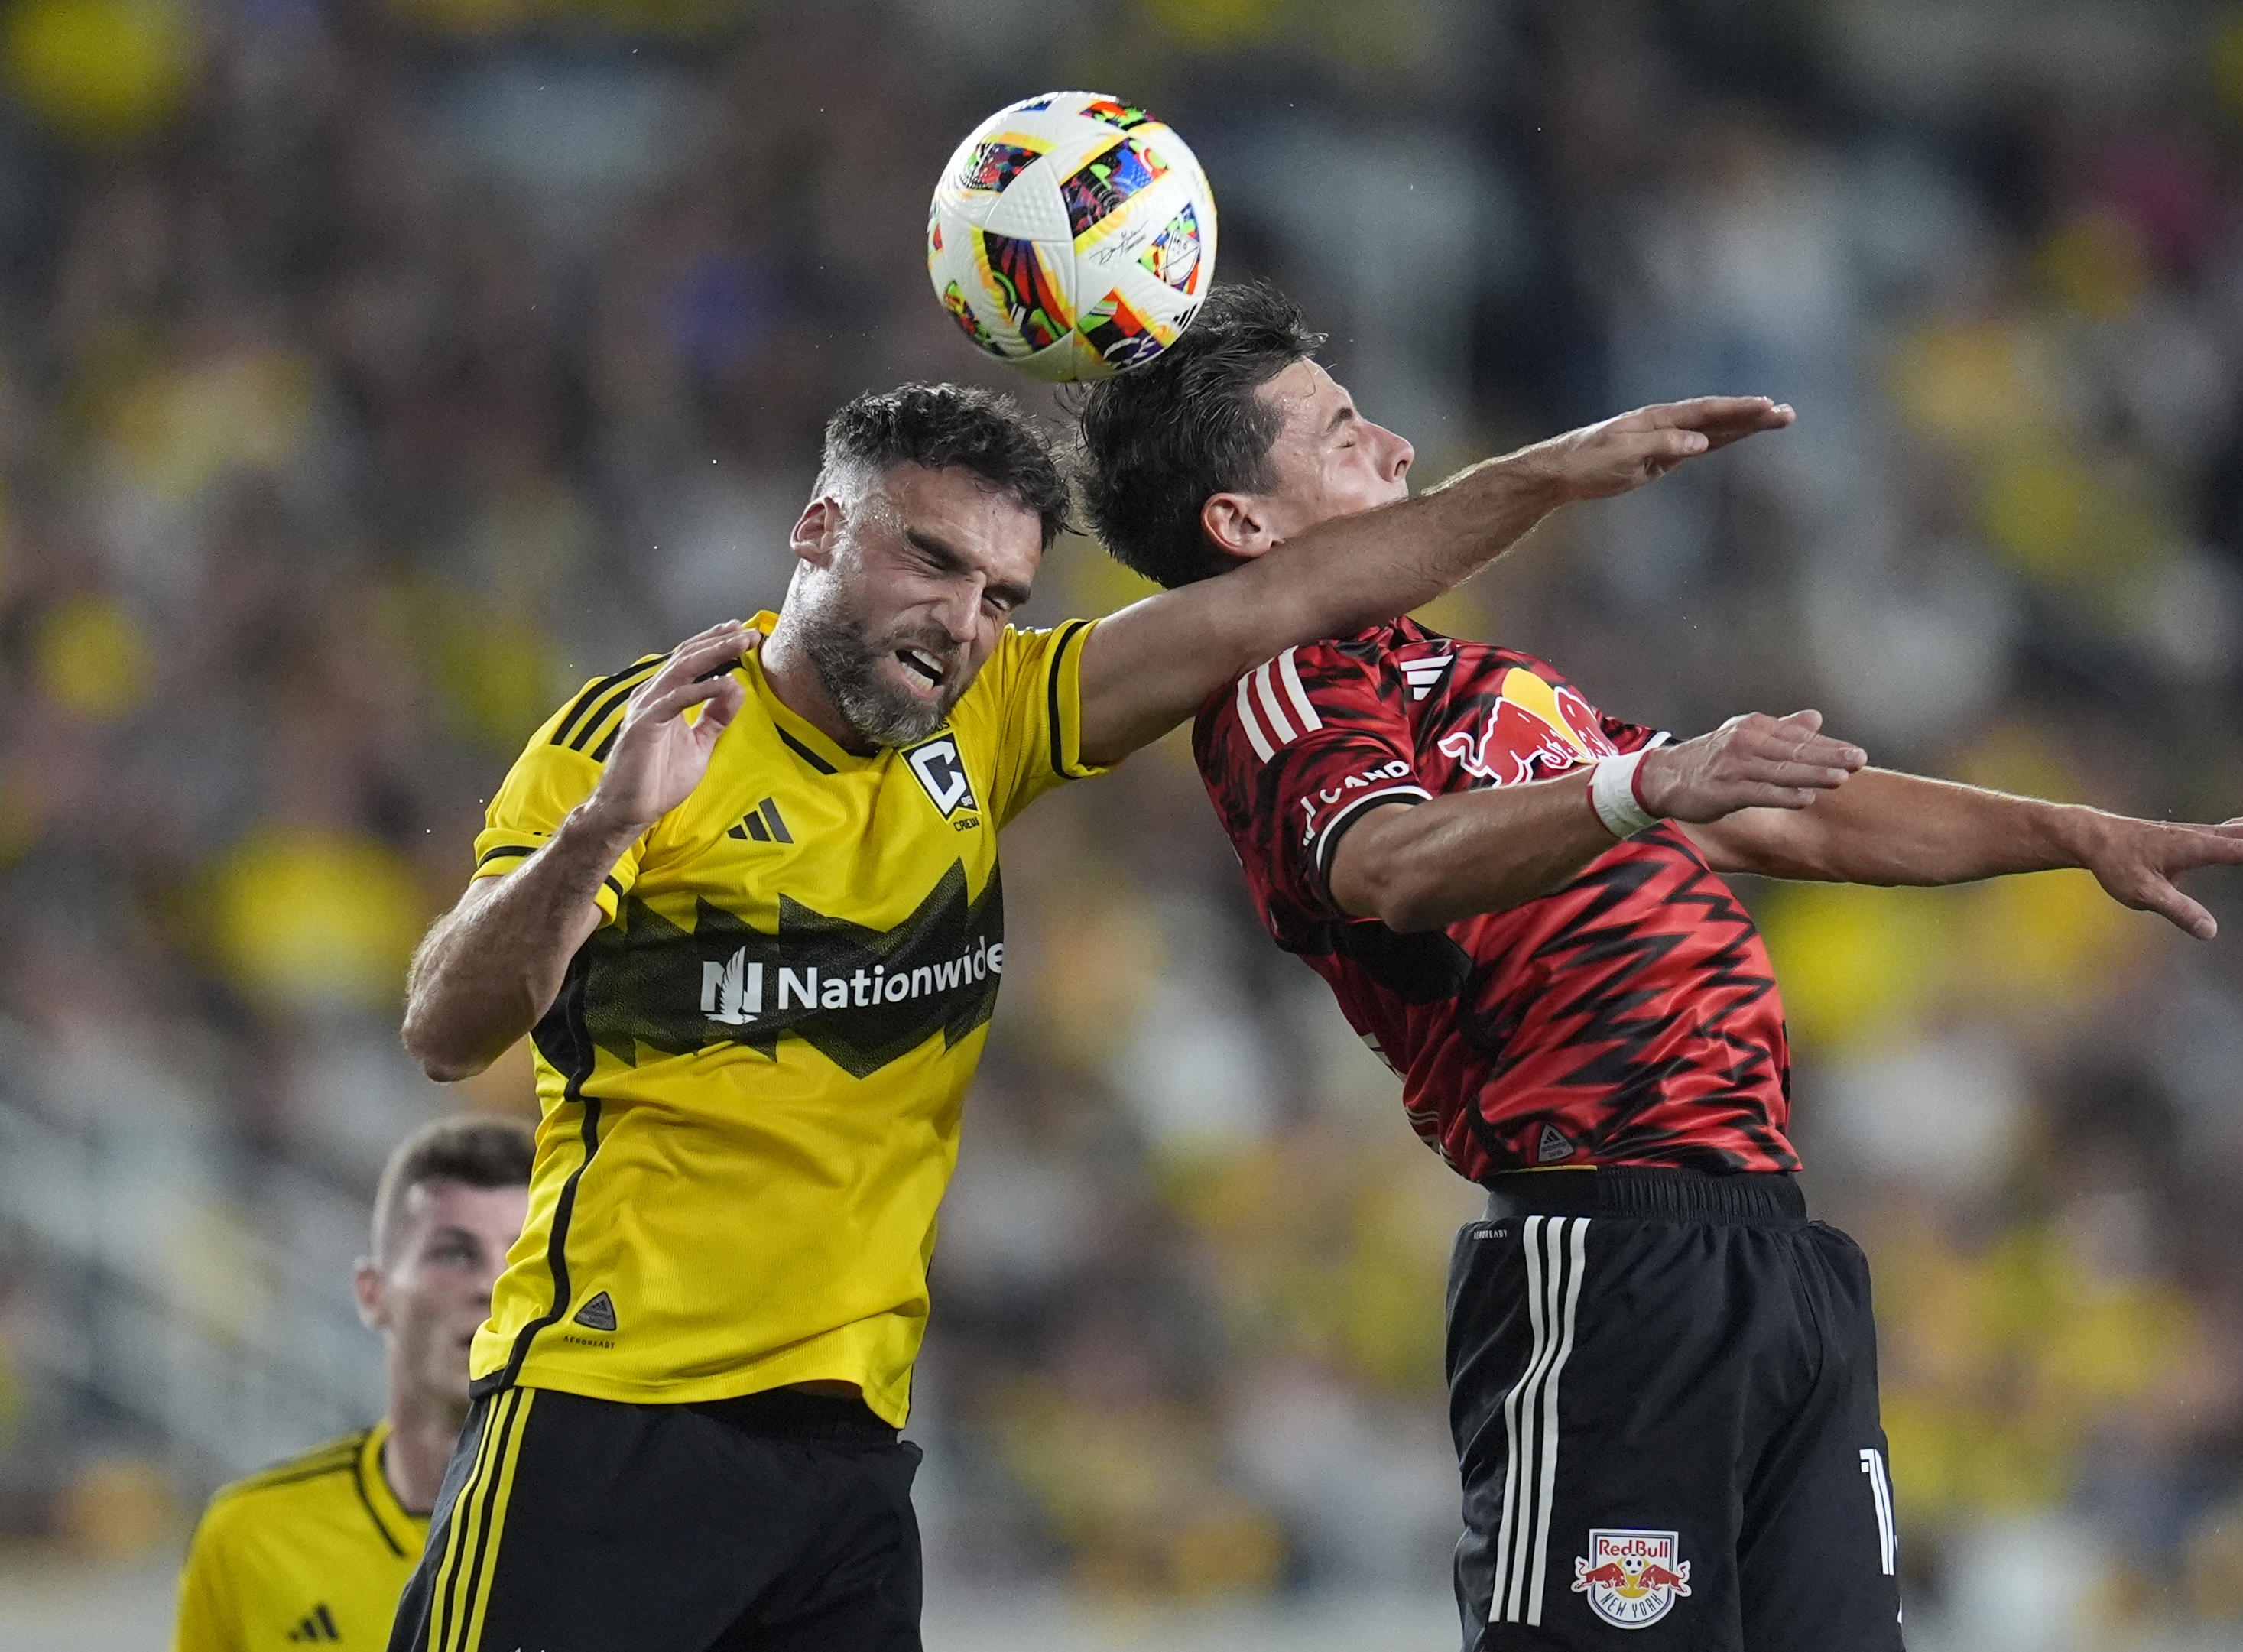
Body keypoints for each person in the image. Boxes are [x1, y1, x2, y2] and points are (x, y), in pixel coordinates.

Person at [391, 378, 1791, 1652]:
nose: (959, 623)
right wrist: (600, 836)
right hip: (601, 1424)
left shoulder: (986, 720)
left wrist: (1550, 474)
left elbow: (1280, 601)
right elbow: (447, 1028)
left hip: (847, 1460)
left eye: (1000, 593)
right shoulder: (641, 739)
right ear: (817, 528)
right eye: (928, 559)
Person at [1073, 283, 2243, 1652]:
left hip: (1770, 1253)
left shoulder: (1483, 682)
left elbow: (1783, 810)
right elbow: (1389, 864)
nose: (1390, 440)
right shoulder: (1283, 689)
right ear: (1241, 525)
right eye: (1336, 431)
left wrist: (2065, 830)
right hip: (1602, 1251)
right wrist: (1633, 784)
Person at [171, 1115, 531, 1651]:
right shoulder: (251, 1538)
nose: (490, 1285)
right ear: (372, 1292)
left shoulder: (626, 1531)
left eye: (523, 1257)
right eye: (453, 1253)